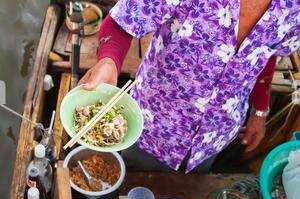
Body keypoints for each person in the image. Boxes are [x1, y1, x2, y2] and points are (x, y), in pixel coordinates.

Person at [80, 0, 300, 173]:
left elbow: (267, 53)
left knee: (181, 198)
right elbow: (122, 21)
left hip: (214, 136)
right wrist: (109, 62)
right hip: (150, 125)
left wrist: (259, 111)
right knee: (119, 179)